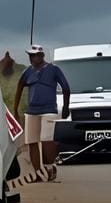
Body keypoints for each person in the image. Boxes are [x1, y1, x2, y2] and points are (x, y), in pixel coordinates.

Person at [12, 45, 71, 182]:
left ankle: (50, 167)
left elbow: (66, 87)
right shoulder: (28, 72)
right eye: (31, 55)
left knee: (46, 140)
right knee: (32, 141)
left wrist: (66, 107)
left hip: (49, 110)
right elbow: (19, 88)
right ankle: (37, 173)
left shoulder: (53, 69)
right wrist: (15, 109)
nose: (32, 58)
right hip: (32, 111)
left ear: (42, 56)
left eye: (35, 55)